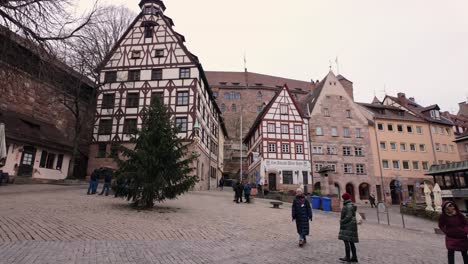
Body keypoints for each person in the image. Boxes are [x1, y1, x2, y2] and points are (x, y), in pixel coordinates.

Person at [339, 192, 359, 263]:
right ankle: (354, 257)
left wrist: (342, 221)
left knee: (346, 241)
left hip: (348, 225)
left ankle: (348, 259)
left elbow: (348, 216)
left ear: (344, 198)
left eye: (343, 198)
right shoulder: (349, 205)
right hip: (350, 225)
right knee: (351, 242)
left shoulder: (348, 206)